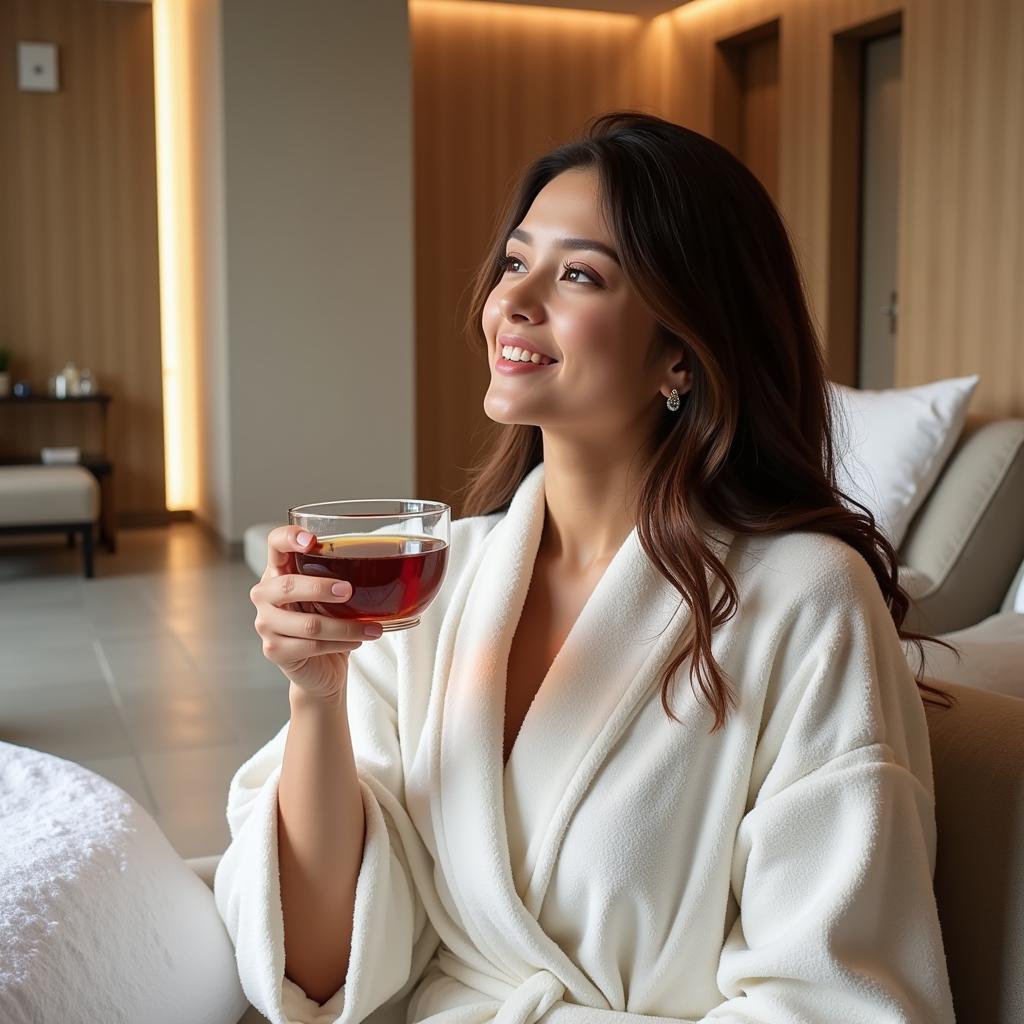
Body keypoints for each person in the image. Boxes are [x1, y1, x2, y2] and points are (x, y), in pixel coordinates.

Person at [214, 111, 960, 1024]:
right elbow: (324, 967)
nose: (513, 302)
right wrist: (317, 696)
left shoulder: (805, 599)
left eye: (578, 275)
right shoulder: (446, 589)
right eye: (515, 261)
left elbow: (833, 997)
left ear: (681, 349)